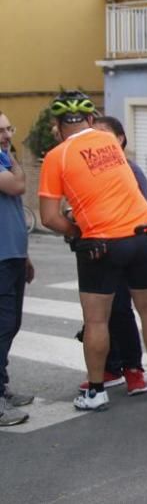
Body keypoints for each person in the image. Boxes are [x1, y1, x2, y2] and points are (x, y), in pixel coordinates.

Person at [38, 91, 147, 412]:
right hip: (141, 235)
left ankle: (96, 391)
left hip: (101, 243)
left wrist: (76, 231)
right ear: (92, 120)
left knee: (96, 320)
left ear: (57, 125)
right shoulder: (110, 144)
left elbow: (50, 218)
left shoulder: (57, 156)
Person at [85, 116, 147, 396]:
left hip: (129, 248)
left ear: (119, 139)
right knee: (103, 315)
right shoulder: (93, 170)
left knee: (123, 311)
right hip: (102, 250)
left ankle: (134, 369)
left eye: (103, 134)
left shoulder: (129, 170)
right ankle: (111, 368)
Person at [0, 111, 34, 426]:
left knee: (10, 325)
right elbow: (17, 186)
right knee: (2, 325)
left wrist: (24, 255)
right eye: (0, 130)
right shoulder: (4, 161)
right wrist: (11, 157)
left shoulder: (3, 157)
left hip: (11, 255)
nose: (7, 135)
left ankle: (2, 386)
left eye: (9, 128)